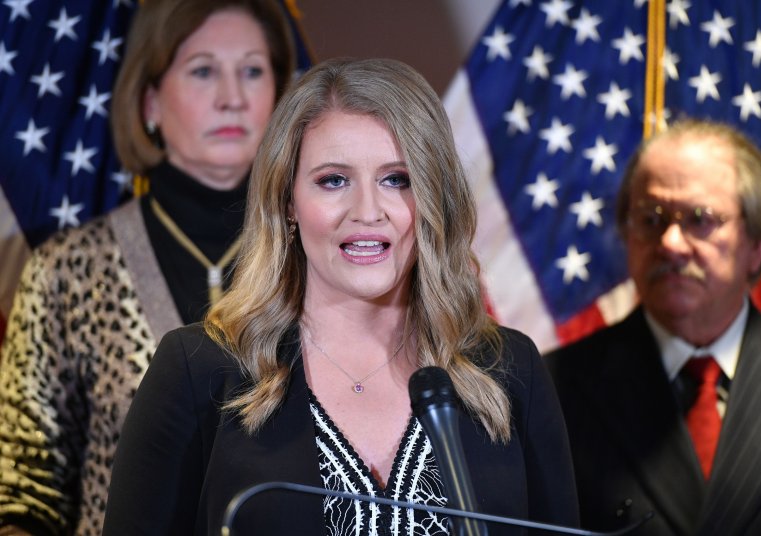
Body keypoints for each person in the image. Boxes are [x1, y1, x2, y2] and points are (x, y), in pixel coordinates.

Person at [101, 57, 579, 535]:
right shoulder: (199, 371)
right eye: (334, 181)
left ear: (433, 197)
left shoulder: (509, 371)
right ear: (287, 201)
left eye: (397, 180)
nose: (368, 211)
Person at [0, 1, 295, 534]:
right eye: (203, 70)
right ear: (151, 101)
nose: (233, 98)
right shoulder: (67, 270)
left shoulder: (319, 259)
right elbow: (22, 490)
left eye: (253, 70)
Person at [545, 119, 761, 535]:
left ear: (757, 246)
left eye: (700, 218)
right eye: (652, 217)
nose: (672, 242)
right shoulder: (551, 391)